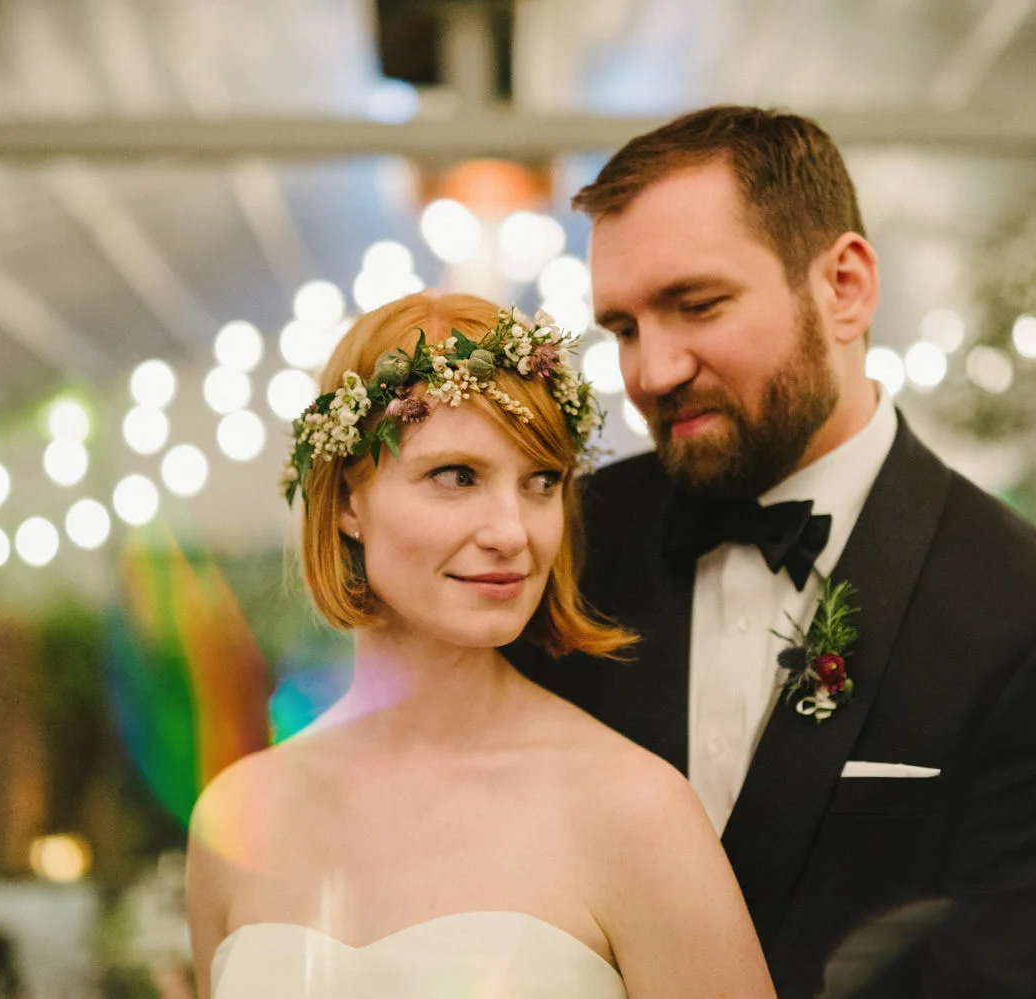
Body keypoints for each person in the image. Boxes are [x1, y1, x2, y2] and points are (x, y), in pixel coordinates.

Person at [510, 106, 1036, 998]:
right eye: (624, 328)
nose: (652, 372)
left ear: (844, 285)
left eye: (697, 305)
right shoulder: (561, 548)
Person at [185, 292, 777, 999]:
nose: (511, 530)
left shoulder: (635, 810)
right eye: (457, 476)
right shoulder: (234, 818)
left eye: (541, 481)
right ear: (347, 501)